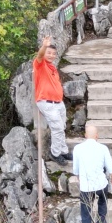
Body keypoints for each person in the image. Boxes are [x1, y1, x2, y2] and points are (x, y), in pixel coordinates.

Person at [72, 124, 112, 223]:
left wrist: (79, 178)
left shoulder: (77, 148)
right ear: (97, 136)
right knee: (102, 200)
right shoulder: (103, 148)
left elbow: (75, 169)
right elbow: (111, 167)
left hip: (86, 187)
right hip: (100, 184)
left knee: (86, 214)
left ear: (85, 135)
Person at [33, 35, 70, 163]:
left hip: (58, 102)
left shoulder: (53, 67)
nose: (51, 55)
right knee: (57, 128)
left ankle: (63, 151)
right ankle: (55, 153)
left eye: (54, 54)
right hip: (47, 102)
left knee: (62, 127)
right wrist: (44, 46)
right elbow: (39, 56)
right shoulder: (40, 65)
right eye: (49, 53)